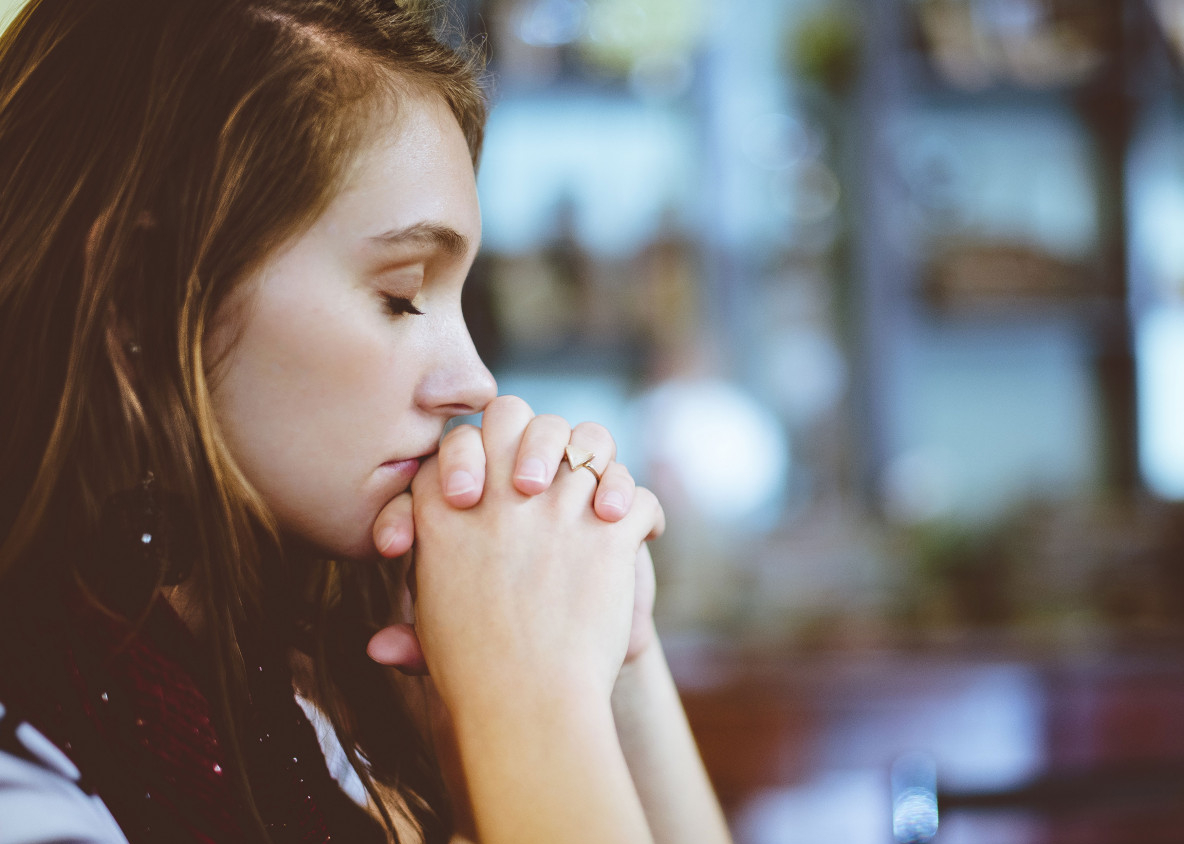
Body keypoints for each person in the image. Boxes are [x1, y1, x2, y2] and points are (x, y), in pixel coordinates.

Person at [0, 0, 734, 842]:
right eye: (400, 294)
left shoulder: (307, 685)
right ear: (139, 292)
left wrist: (617, 660)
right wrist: (529, 695)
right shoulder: (28, 770)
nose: (475, 383)